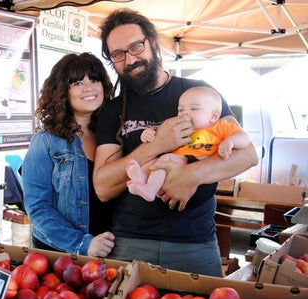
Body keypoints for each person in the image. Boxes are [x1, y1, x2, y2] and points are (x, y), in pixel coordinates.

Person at [93, 9, 258, 276]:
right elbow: (102, 186)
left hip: (195, 243)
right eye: (118, 54)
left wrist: (191, 176)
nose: (130, 59)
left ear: (153, 43)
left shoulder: (198, 93)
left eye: (136, 46)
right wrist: (157, 145)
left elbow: (248, 154)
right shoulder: (114, 110)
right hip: (129, 242)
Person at [22, 53, 116, 257]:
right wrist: (83, 244)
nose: (89, 88)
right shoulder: (45, 141)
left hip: (111, 252)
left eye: (95, 79)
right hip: (61, 256)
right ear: (62, 91)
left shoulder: (113, 136)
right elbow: (37, 208)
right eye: (78, 82)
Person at [127, 86, 252, 202]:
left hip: (197, 162)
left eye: (194, 108)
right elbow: (159, 135)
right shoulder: (180, 127)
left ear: (214, 116)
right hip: (176, 165)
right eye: (180, 110)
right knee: (153, 161)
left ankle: (150, 189)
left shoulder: (219, 127)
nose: (185, 113)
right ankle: (143, 179)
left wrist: (230, 141)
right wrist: (148, 133)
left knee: (165, 159)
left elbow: (245, 138)